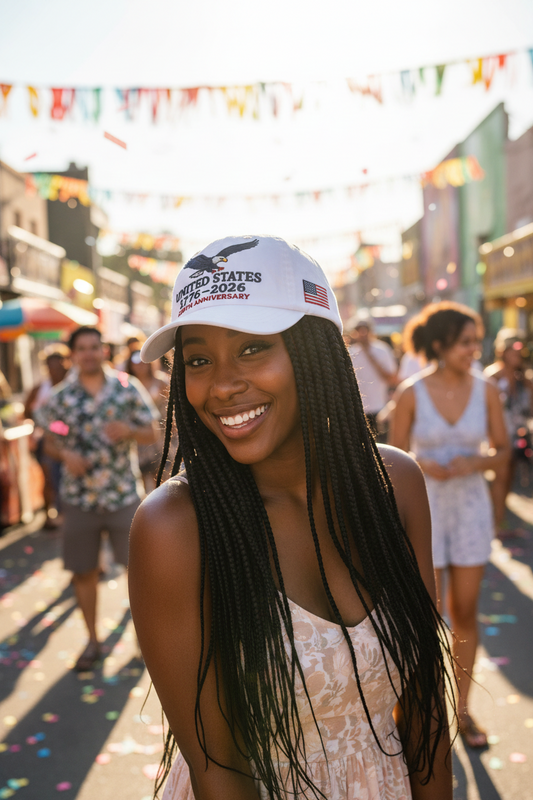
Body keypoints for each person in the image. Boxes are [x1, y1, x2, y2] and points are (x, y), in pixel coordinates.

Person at [129, 235, 453, 800]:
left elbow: (425, 712)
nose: (223, 384)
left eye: (252, 347)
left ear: (315, 351)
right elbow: (218, 768)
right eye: (199, 359)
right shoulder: (175, 528)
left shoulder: (394, 484)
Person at [389, 302, 509, 750]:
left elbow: (502, 449)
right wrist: (422, 463)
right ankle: (423, 708)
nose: (474, 350)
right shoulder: (410, 393)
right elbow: (391, 457)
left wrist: (476, 460)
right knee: (423, 615)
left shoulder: (488, 390)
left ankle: (462, 710)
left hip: (471, 508)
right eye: (466, 342)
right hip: (425, 511)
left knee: (466, 611)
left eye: (476, 342)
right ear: (440, 344)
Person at [37, 326, 159, 672]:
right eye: (82, 348)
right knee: (83, 573)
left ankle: (143, 643)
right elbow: (51, 438)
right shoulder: (61, 398)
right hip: (79, 501)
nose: (89, 353)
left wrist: (129, 431)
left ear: (103, 351)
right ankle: (93, 641)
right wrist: (65, 456)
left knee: (136, 572)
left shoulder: (125, 388)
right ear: (73, 354)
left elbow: (153, 429)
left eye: (94, 347)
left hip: (123, 495)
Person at [484, 328, 533, 538]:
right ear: (502, 351)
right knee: (500, 477)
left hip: (518, 434)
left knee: (509, 476)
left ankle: (499, 520)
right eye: (512, 350)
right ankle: (495, 524)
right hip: (497, 434)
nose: (517, 355)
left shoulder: (525, 378)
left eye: (519, 351)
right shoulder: (491, 377)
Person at [25, 344, 71, 528]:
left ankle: (65, 515)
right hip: (46, 441)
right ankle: (49, 515)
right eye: (51, 365)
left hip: (68, 441)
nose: (54, 369)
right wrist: (44, 423)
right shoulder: (40, 388)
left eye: (58, 364)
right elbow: (27, 410)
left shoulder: (72, 387)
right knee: (49, 478)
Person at [125, 349, 170, 492]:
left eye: (143, 363)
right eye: (136, 363)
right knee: (143, 480)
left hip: (162, 438)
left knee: (165, 479)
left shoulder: (162, 381)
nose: (140, 367)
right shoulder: (127, 386)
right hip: (140, 439)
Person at [347, 317, 398, 435]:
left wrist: (369, 355)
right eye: (359, 331)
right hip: (359, 411)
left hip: (380, 408)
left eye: (365, 330)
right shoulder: (350, 352)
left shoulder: (382, 350)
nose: (362, 334)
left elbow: (392, 379)